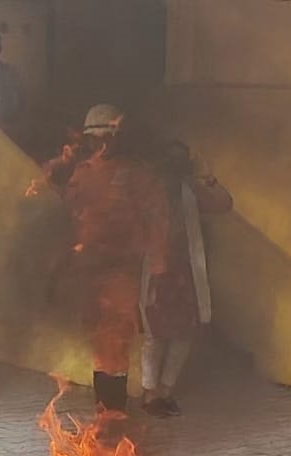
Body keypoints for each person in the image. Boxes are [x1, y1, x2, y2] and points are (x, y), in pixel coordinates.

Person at [34, 103, 167, 415]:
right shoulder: (83, 172)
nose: (102, 144)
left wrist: (158, 266)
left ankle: (113, 413)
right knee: (98, 341)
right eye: (96, 138)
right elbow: (69, 216)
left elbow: (158, 220)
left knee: (117, 339)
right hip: (87, 271)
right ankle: (103, 411)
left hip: (122, 271)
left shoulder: (138, 174)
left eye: (108, 136)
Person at [139, 140, 232, 417]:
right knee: (154, 335)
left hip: (185, 272)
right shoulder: (147, 191)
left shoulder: (191, 190)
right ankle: (149, 393)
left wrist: (209, 178)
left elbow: (225, 204)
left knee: (184, 333)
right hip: (156, 272)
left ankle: (165, 391)